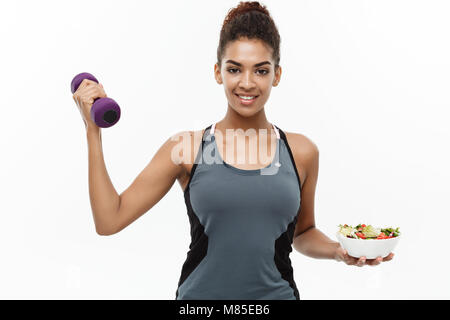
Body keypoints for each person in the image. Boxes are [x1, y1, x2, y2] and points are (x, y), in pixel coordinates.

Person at [72, 1, 394, 300]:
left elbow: (303, 232)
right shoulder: (187, 149)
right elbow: (109, 220)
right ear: (218, 72)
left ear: (277, 75)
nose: (247, 83)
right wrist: (93, 132)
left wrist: (339, 251)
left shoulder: (302, 152)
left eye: (261, 70)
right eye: (235, 68)